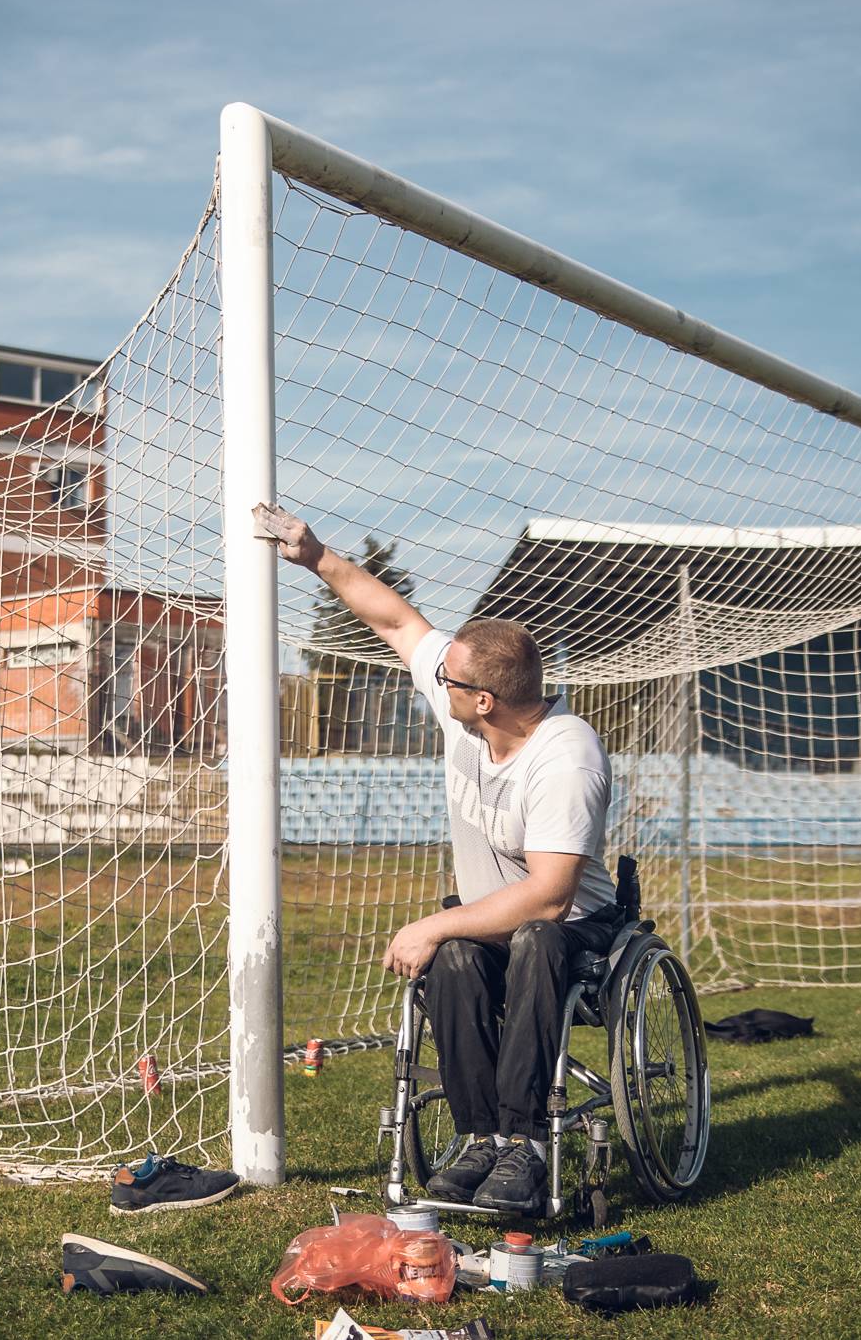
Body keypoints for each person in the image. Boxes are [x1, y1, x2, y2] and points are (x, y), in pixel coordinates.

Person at [254, 502, 621, 1215]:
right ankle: (481, 1137)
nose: (435, 683)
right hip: (493, 923)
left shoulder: (566, 759)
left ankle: (527, 1145)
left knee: (531, 939)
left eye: (449, 682)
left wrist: (432, 923)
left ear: (483, 700)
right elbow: (396, 623)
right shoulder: (472, 709)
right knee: (453, 958)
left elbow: (550, 895)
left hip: (576, 928)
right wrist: (315, 554)